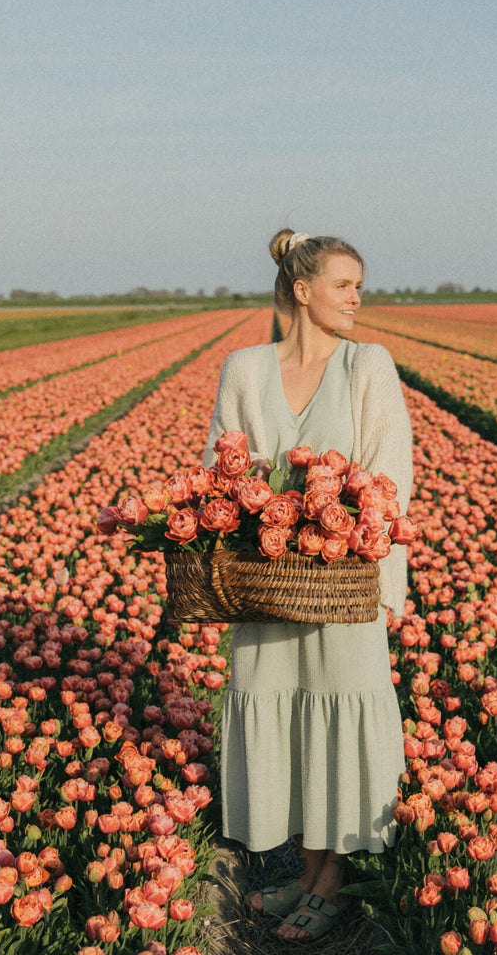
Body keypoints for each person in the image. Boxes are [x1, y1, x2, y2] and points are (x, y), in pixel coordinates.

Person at [202, 228, 412, 942]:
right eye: (343, 285)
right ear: (301, 289)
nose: (356, 298)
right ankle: (307, 871)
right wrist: (251, 522)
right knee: (286, 717)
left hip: (343, 584)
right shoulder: (244, 368)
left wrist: (366, 557)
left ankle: (334, 882)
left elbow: (390, 474)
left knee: (340, 715)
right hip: (267, 583)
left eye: (358, 286)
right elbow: (221, 467)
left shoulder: (367, 364)